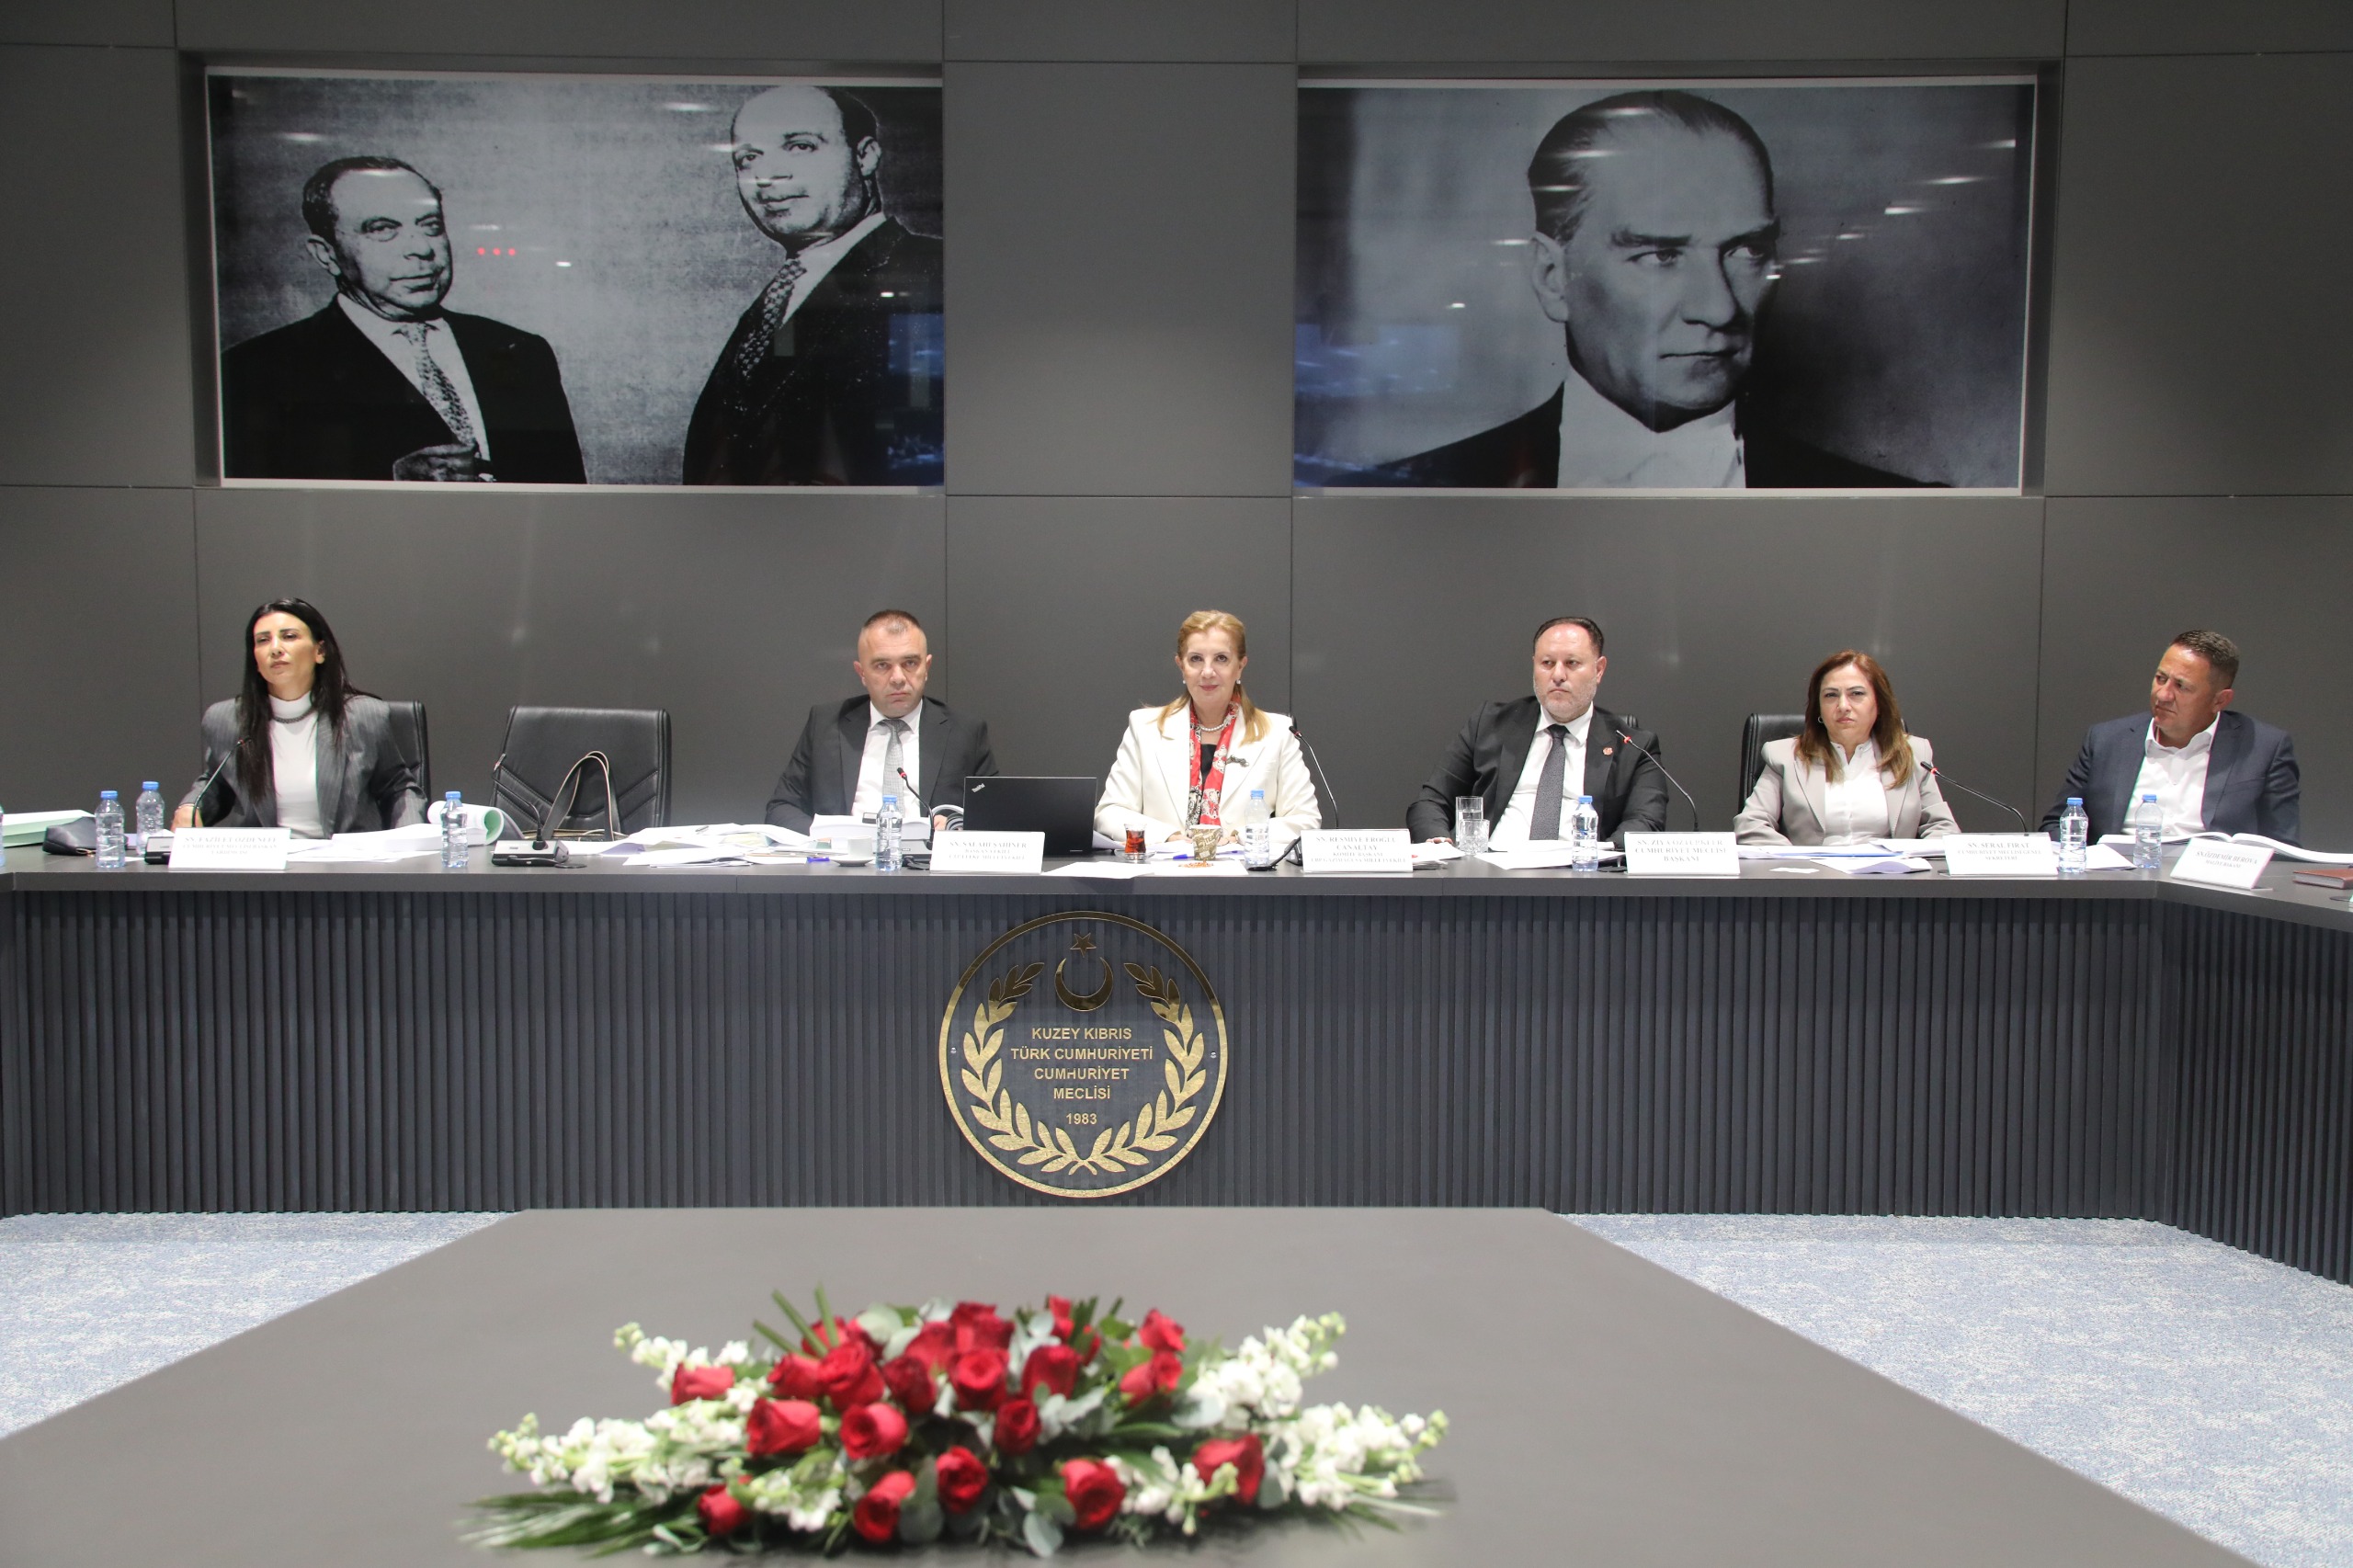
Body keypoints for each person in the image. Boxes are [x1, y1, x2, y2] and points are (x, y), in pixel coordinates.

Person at [1345, 90, 1930, 490]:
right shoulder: (1409, 498)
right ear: (1553, 277)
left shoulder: (1894, 507)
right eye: (1660, 255)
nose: (1718, 308)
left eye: (1746, 250)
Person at [221, 156, 585, 483]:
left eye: (430, 226)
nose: (422, 249)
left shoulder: (518, 351)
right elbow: (250, 508)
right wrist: (388, 481)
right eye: (382, 229)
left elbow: (565, 498)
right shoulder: (259, 369)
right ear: (326, 254)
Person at [684, 85, 944, 486]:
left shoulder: (928, 272)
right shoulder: (776, 300)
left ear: (865, 156)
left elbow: (921, 461)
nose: (768, 175)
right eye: (748, 158)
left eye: (800, 147)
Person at [173, 597, 425, 835]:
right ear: (255, 660)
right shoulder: (228, 720)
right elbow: (216, 784)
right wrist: (191, 807)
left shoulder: (363, 717)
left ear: (320, 651)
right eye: (263, 640)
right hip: (265, 863)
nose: (275, 649)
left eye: (289, 637)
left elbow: (398, 788)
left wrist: (413, 840)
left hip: (345, 861)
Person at [1408, 617, 1667, 846]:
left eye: (1572, 663)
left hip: (1580, 873)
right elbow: (1431, 802)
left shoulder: (1634, 746)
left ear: (1599, 670)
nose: (1558, 675)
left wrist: (1598, 857)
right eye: (1547, 663)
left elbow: (1645, 821)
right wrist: (1439, 844)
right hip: (1491, 869)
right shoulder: (1490, 725)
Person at [1096, 611, 1321, 856]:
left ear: (1240, 667)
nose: (1207, 672)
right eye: (1196, 659)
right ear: (1181, 666)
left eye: (1221, 659)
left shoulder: (1277, 733)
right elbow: (1109, 813)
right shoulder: (1145, 728)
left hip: (1244, 873)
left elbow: (1305, 820)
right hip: (1164, 872)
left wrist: (1240, 837)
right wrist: (1169, 837)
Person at [2042, 630, 2300, 844]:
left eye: (2181, 686)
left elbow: (2283, 849)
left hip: (2209, 885)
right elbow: (2056, 824)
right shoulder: (2106, 741)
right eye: (2160, 678)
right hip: (2119, 882)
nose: (2163, 695)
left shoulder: (2263, 749)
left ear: (2220, 700)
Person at [764, 609, 996, 833]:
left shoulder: (964, 732)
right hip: (846, 856)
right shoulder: (826, 725)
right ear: (862, 673)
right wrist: (829, 837)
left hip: (928, 859)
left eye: (910, 663)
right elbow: (781, 808)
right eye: (882, 665)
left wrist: (956, 826)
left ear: (926, 668)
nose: (898, 678)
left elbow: (995, 814)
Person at [1733, 651, 1958, 845]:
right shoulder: (1785, 757)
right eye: (1831, 695)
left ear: (1879, 703)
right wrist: (1801, 860)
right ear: (1818, 708)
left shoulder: (1913, 754)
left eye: (1856, 694)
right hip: (1811, 876)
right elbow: (1750, 825)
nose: (1843, 706)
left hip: (1891, 877)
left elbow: (1943, 829)